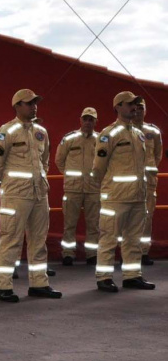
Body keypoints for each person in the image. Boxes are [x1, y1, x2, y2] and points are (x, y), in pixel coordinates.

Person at [0, 89, 59, 303]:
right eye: (29, 103)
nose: (34, 106)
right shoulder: (5, 132)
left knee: (39, 240)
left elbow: (45, 160)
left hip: (39, 192)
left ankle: (39, 283)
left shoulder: (41, 132)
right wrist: (10, 185)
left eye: (35, 102)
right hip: (16, 194)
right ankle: (4, 286)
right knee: (11, 239)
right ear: (17, 106)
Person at [92, 91, 155, 292]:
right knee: (109, 237)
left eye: (136, 104)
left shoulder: (138, 134)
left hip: (138, 196)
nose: (134, 107)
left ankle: (132, 275)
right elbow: (98, 168)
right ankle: (104, 277)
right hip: (116, 196)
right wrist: (107, 189)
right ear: (118, 107)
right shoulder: (108, 134)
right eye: (129, 104)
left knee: (134, 239)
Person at [54, 107, 100, 266]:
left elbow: (106, 163)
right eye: (85, 119)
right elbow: (59, 160)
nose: (88, 122)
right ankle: (68, 254)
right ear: (80, 120)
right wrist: (69, 176)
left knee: (94, 224)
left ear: (95, 122)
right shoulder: (69, 139)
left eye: (91, 119)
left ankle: (92, 254)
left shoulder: (101, 140)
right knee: (69, 223)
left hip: (94, 189)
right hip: (73, 189)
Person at [134, 100, 162, 265]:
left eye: (141, 108)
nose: (138, 111)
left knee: (147, 217)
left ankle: (143, 252)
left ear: (146, 110)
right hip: (128, 182)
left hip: (148, 181)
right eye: (135, 108)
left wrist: (148, 169)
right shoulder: (122, 131)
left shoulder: (153, 132)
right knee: (128, 217)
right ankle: (127, 251)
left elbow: (157, 155)